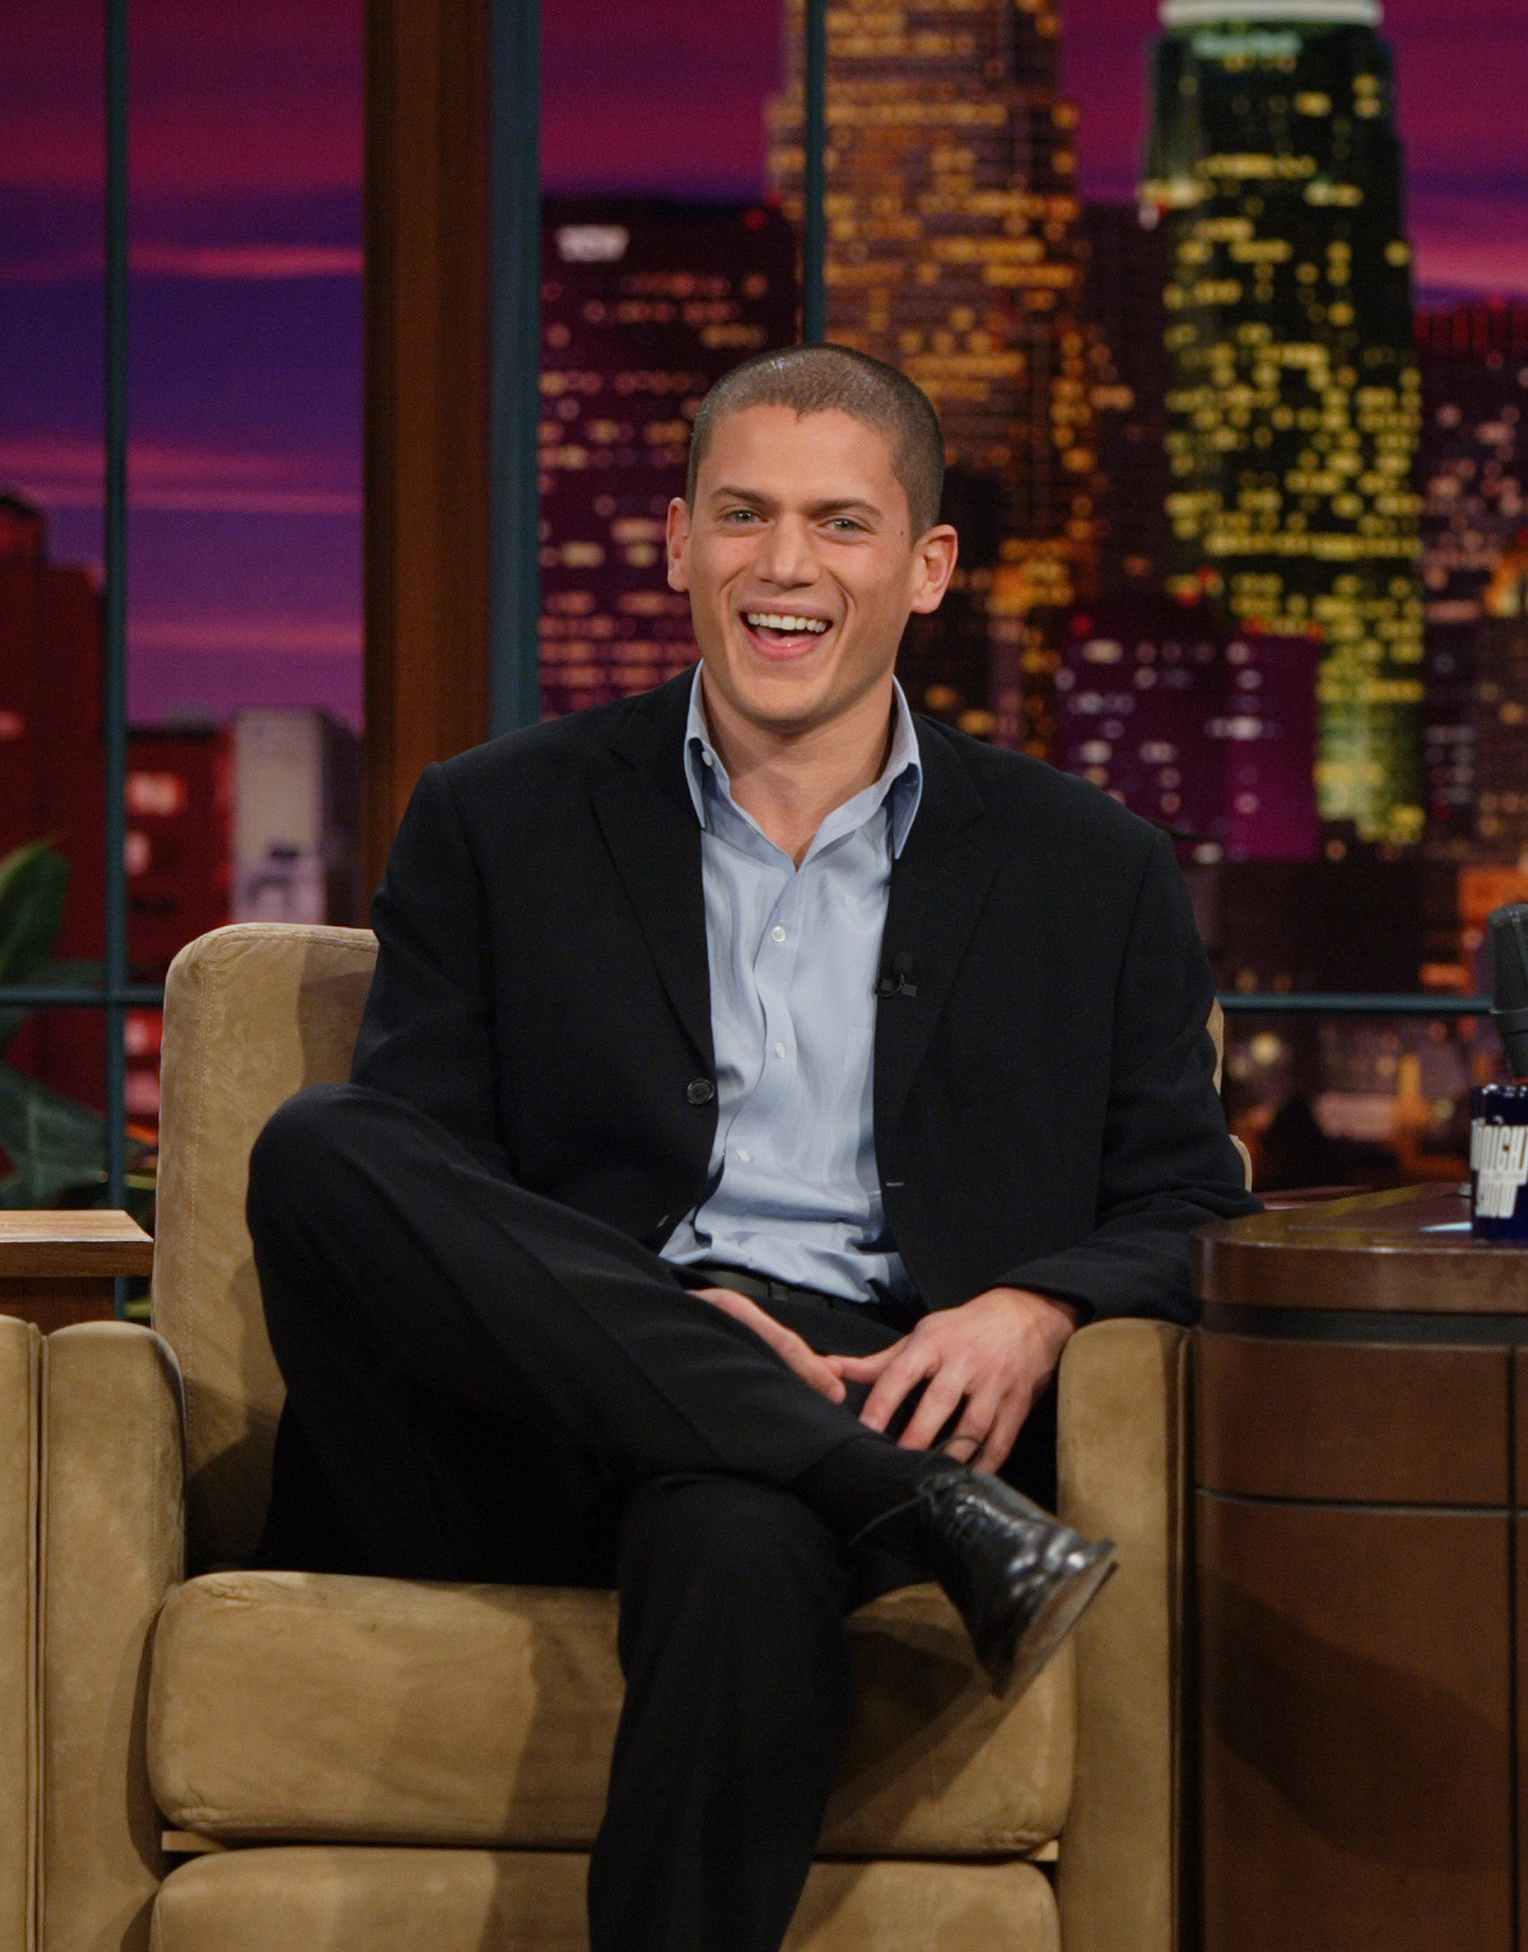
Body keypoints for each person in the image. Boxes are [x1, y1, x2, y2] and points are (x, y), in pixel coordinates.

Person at [242, 343, 1260, 1951]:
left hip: (862, 1382)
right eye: (744, 515)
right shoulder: (495, 816)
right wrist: (648, 1325)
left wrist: (1034, 1307)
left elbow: (1197, 1205)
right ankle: (911, 1505)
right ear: (676, 541)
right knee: (318, 1145)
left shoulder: (1093, 868)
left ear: (927, 566)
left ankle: (837, 1472)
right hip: (535, 1403)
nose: (785, 567)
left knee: (736, 1539)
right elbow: (417, 1178)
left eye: (842, 524)